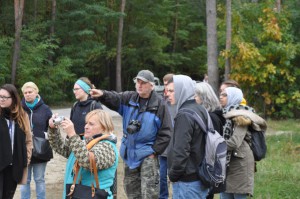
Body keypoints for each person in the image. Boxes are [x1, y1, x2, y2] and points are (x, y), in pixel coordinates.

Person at [90, 69, 173, 199]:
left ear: (151, 85)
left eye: (143, 83)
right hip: (129, 154)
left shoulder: (159, 105)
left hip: (147, 156)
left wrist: (154, 151)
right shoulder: (129, 98)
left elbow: (166, 132)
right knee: (132, 193)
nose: (139, 85)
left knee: (149, 194)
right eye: (137, 82)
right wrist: (101, 94)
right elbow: (115, 98)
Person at [48, 109, 118, 199]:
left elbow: (88, 161)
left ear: (104, 127)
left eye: (91, 124)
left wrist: (72, 135)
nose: (86, 127)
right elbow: (61, 147)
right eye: (86, 123)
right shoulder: (86, 143)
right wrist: (53, 129)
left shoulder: (108, 146)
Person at [219, 87, 266, 199]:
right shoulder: (224, 114)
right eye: (220, 94)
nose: (220, 96)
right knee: (224, 194)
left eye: (225, 95)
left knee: (238, 195)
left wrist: (215, 146)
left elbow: (235, 142)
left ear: (233, 97)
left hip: (240, 164)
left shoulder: (242, 115)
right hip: (227, 162)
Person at [167, 75, 209, 199]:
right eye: (167, 90)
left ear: (182, 90)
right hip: (199, 177)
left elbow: (181, 151)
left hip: (187, 182)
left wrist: (173, 175)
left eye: (171, 91)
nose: (167, 94)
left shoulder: (184, 114)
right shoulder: (200, 109)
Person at [20, 82, 53, 199]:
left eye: (30, 92)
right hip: (24, 149)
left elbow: (51, 128)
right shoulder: (18, 108)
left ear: (36, 92)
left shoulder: (45, 109)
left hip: (41, 149)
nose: (28, 95)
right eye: (25, 93)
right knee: (25, 180)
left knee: (39, 179)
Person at [194, 82, 226, 199]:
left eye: (195, 95)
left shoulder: (211, 117)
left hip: (207, 167)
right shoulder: (207, 115)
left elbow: (212, 145)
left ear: (204, 97)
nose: (193, 98)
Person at [0, 84, 32, 199]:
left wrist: (26, 159)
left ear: (13, 98)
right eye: (0, 96)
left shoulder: (22, 116)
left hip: (14, 166)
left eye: (5, 97)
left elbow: (28, 140)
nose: (1, 99)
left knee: (8, 196)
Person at [158, 73, 174, 199]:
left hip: (175, 146)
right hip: (164, 147)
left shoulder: (178, 102)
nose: (165, 89)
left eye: (167, 85)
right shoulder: (162, 101)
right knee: (161, 175)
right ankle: (163, 196)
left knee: (175, 175)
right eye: (164, 85)